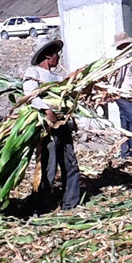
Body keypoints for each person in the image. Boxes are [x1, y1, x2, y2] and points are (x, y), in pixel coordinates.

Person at [23, 38, 80, 212]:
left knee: (70, 163)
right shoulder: (33, 72)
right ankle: (43, 206)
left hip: (62, 125)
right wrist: (48, 111)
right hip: (47, 127)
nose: (58, 58)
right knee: (49, 166)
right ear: (48, 55)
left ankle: (70, 203)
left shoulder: (57, 77)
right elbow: (30, 96)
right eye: (56, 54)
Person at [112, 31, 132, 160]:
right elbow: (118, 80)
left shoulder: (121, 58)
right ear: (124, 45)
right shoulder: (121, 60)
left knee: (125, 124)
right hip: (125, 95)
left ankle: (125, 153)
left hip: (122, 95)